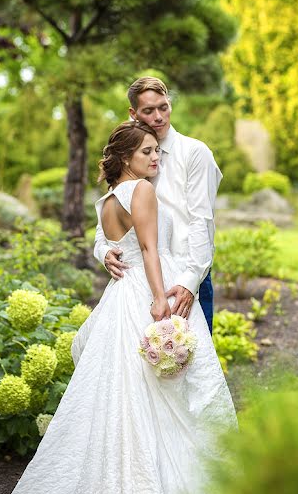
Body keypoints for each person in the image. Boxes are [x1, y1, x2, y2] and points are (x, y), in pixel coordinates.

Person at [0, 121, 237, 494]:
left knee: (126, 392)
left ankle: (147, 488)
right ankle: (174, 493)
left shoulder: (106, 200)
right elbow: (148, 249)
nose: (155, 157)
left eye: (156, 151)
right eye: (146, 151)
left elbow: (116, 246)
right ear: (126, 157)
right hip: (145, 291)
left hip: (118, 296)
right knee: (168, 391)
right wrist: (161, 300)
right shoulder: (141, 191)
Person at [94, 77, 221, 331]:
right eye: (148, 111)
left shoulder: (194, 153)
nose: (159, 117)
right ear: (133, 113)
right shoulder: (128, 154)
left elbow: (201, 221)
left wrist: (190, 281)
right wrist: (103, 251)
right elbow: (113, 207)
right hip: (140, 283)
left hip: (185, 278)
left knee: (187, 362)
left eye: (163, 107)